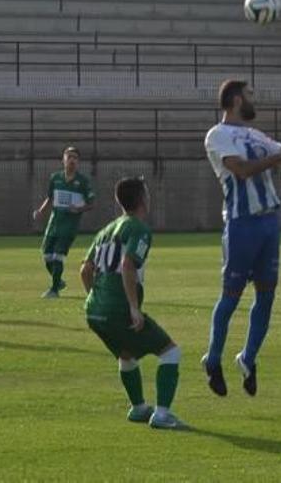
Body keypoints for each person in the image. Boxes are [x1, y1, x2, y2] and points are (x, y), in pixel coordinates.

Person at [201, 79, 281, 397]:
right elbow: (242, 170)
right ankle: (213, 359)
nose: (254, 100)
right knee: (231, 296)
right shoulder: (217, 134)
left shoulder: (255, 135)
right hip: (241, 224)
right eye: (249, 95)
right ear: (236, 99)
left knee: (266, 296)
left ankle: (248, 358)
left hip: (268, 223)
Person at [80, 177, 185, 429]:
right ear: (141, 199)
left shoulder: (105, 230)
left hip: (94, 310)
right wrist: (133, 308)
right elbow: (128, 264)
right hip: (118, 308)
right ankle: (162, 414)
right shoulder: (138, 229)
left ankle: (138, 408)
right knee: (171, 352)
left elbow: (85, 269)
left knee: (126, 354)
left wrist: (95, 298)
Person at [33, 145, 95, 298]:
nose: (72, 160)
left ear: (78, 162)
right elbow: (50, 198)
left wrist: (79, 209)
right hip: (54, 222)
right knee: (46, 255)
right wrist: (41, 211)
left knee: (58, 255)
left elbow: (91, 203)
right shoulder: (55, 178)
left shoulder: (83, 182)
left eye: (75, 158)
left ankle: (54, 290)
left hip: (69, 225)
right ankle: (58, 281)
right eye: (69, 157)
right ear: (63, 160)